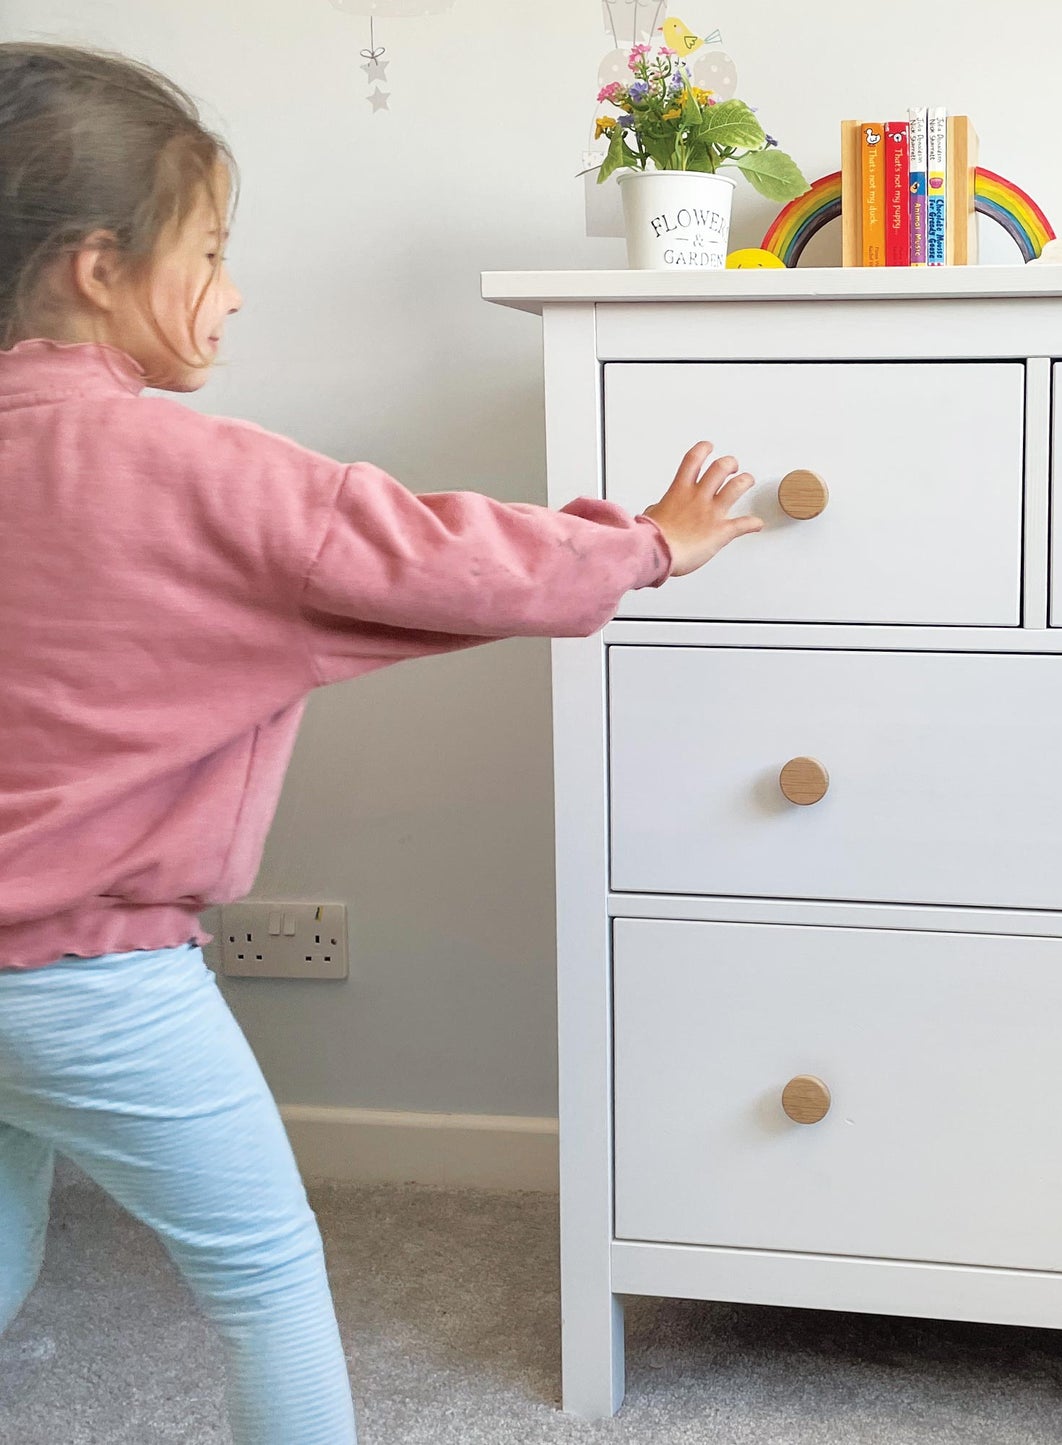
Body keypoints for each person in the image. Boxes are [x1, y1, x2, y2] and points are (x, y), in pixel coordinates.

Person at [0, 41, 760, 1444]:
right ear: (100, 267)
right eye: (212, 249)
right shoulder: (199, 477)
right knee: (266, 1269)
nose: (232, 289)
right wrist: (647, 541)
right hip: (99, 985)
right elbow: (431, 558)